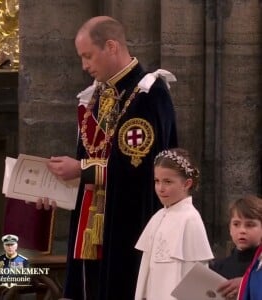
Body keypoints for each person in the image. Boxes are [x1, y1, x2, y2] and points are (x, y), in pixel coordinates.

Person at [46, 15, 178, 300]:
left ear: (111, 46)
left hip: (126, 218)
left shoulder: (148, 93)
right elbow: (91, 154)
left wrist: (80, 169)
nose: (84, 65)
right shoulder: (99, 94)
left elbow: (138, 167)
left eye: (88, 56)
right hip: (91, 218)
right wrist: (56, 183)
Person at [134, 148, 214, 300]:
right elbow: (147, 268)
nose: (160, 188)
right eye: (157, 181)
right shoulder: (158, 217)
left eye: (168, 182)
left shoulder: (190, 219)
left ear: (187, 183)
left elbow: (197, 273)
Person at [210, 195, 262, 300]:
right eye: (236, 224)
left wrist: (246, 285)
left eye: (250, 225)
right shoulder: (218, 267)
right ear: (229, 228)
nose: (242, 230)